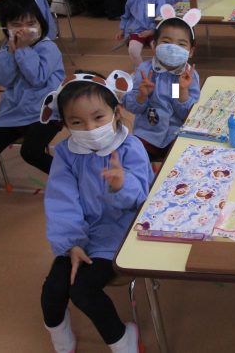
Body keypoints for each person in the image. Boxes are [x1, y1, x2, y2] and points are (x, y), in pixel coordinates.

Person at [39, 69, 154, 353]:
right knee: (53, 289)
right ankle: (60, 333)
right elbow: (62, 201)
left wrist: (121, 185)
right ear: (65, 123)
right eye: (77, 122)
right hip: (79, 235)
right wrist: (72, 244)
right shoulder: (66, 154)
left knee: (83, 291)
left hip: (119, 233)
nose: (89, 128)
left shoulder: (131, 147)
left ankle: (122, 338)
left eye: (98, 117)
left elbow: (143, 201)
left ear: (116, 112)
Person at [0, 0, 64, 227]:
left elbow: (37, 78)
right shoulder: (7, 50)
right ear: (6, 28)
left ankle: (69, 177)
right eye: (17, 25)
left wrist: (23, 51)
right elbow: (1, 78)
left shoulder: (48, 49)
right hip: (14, 114)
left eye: (31, 22)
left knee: (31, 151)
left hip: (47, 111)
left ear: (40, 22)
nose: (25, 30)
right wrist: (11, 52)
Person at [123, 4, 201, 161]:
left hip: (176, 134)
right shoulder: (144, 71)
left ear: (191, 51)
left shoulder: (189, 76)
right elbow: (131, 107)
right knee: (133, 157)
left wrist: (182, 91)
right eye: (166, 42)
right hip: (147, 134)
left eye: (181, 44)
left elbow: (189, 116)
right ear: (154, 45)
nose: (172, 48)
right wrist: (142, 96)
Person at [116, 0, 165, 69]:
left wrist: (152, 31)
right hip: (136, 31)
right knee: (133, 50)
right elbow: (126, 15)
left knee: (159, 50)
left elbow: (160, 18)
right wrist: (122, 29)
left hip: (154, 31)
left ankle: (160, 70)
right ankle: (141, 71)